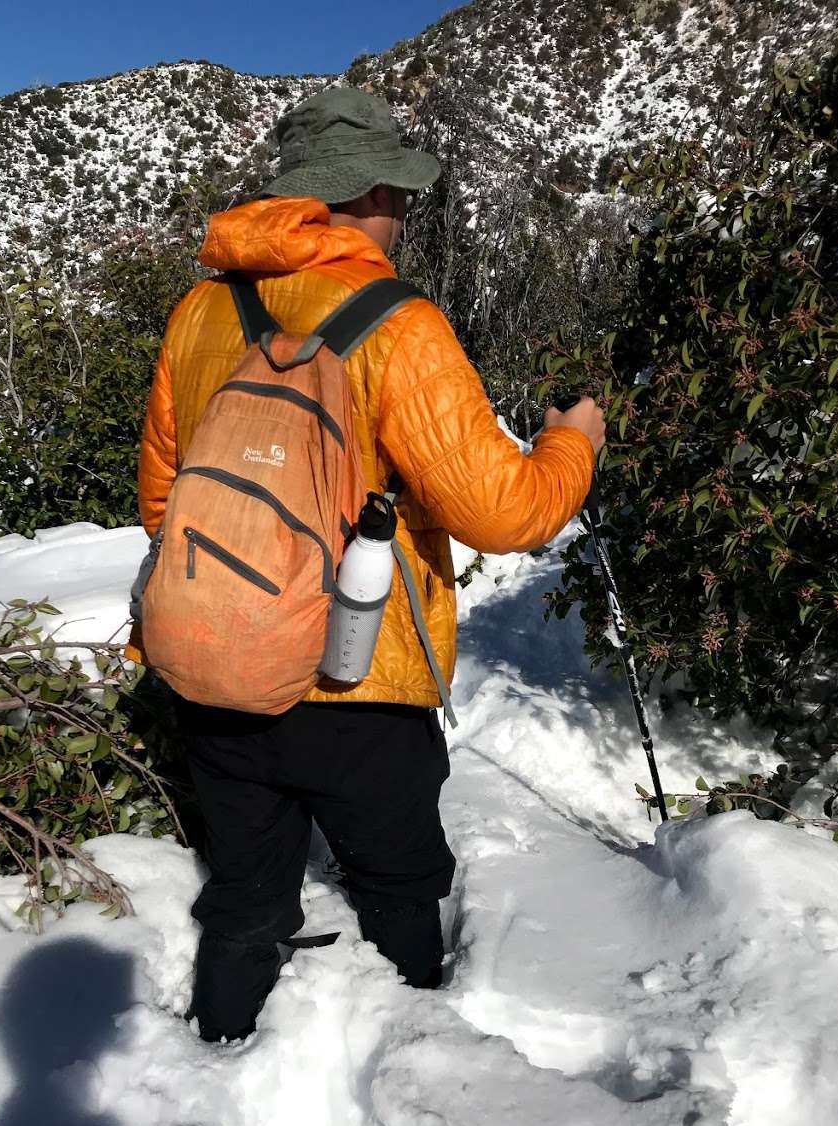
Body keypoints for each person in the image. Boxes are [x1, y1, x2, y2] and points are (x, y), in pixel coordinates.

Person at [137, 86, 605, 1042]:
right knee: (398, 884)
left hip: (219, 663)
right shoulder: (399, 323)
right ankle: (422, 1070)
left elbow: (163, 500)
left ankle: (214, 1061)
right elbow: (504, 512)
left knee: (244, 892)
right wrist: (575, 445)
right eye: (401, 194)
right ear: (374, 193)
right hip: (361, 678)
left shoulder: (198, 314)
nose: (405, 213)